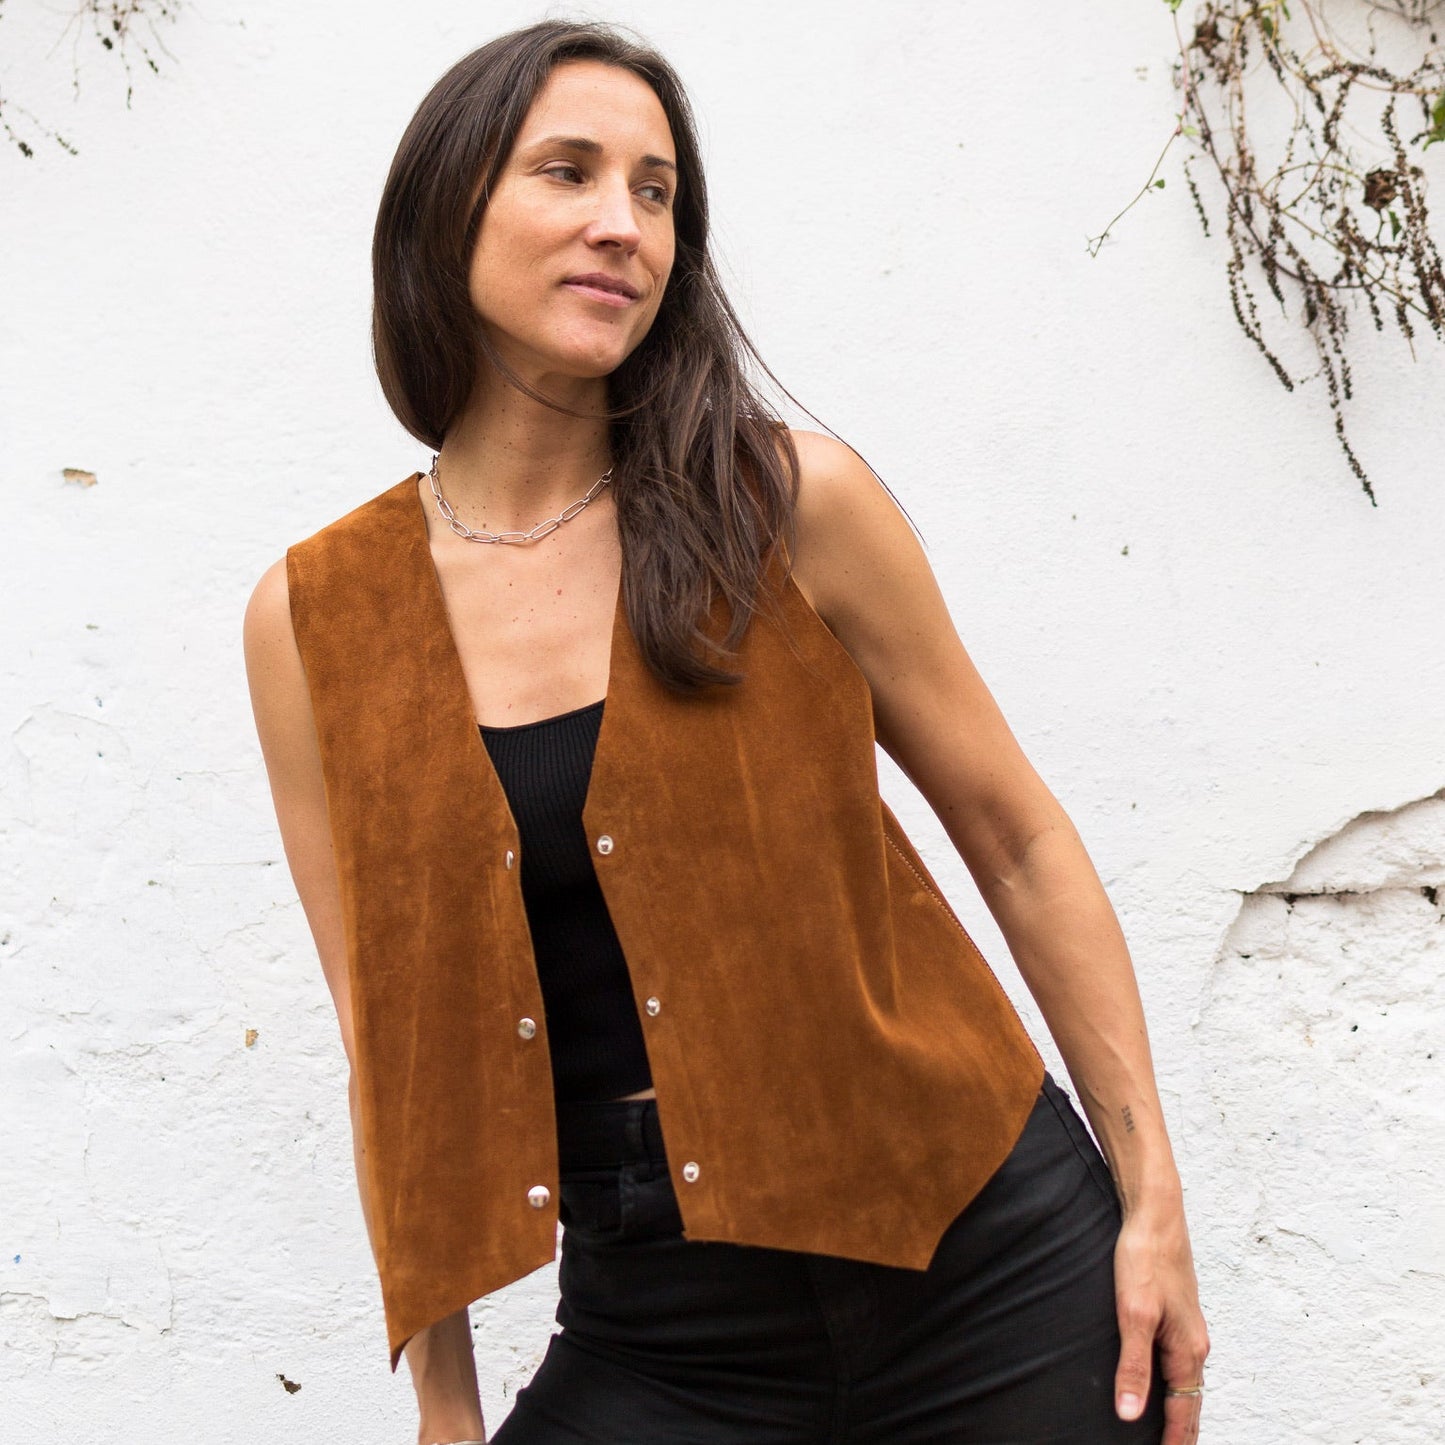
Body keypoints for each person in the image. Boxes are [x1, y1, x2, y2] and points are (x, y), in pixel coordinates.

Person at [243, 18, 1209, 1445]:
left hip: (991, 1268)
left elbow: (1013, 839)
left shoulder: (789, 506)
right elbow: (389, 1041)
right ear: (444, 209)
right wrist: (446, 1408)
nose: (619, 223)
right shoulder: (316, 621)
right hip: (663, 1334)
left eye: (654, 191)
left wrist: (1153, 1208)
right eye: (566, 171)